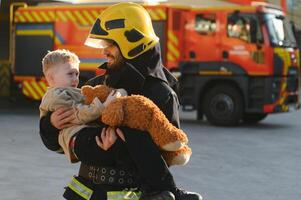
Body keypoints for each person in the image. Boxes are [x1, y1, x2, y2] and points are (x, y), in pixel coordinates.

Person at [39, 2, 202, 200]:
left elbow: (166, 155)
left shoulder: (160, 93)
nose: (104, 52)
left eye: (110, 45)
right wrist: (51, 124)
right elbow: (57, 142)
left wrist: (117, 148)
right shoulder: (96, 85)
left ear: (132, 42)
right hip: (84, 193)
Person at [39, 49, 125, 163]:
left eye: (77, 74)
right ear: (51, 78)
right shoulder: (56, 96)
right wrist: (103, 105)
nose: (75, 79)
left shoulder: (74, 91)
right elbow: (78, 114)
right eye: (70, 74)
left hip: (84, 131)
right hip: (75, 137)